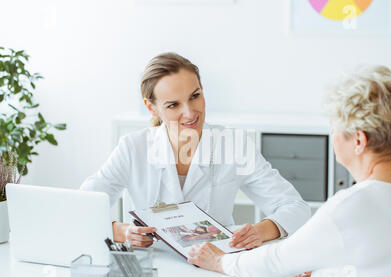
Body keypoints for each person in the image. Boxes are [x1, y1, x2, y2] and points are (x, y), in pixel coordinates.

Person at [187, 65, 391, 277]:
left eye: (334, 128)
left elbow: (273, 262)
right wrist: (325, 258)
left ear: (359, 141)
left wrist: (219, 260)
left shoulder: (352, 206)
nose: (332, 135)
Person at [80, 52, 311, 250]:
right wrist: (122, 231)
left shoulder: (233, 145)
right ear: (152, 108)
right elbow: (83, 206)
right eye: (173, 105)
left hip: (216, 262)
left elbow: (296, 208)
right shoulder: (133, 148)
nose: (190, 113)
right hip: (154, 266)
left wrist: (260, 232)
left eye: (195, 96)